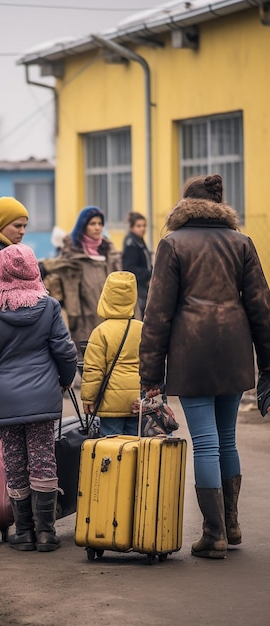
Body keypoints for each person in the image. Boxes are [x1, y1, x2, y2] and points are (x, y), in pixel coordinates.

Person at [139, 174, 270, 559]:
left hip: (191, 354)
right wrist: (268, 366)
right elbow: (261, 308)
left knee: (207, 444)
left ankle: (213, 536)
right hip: (233, 352)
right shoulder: (242, 243)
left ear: (185, 206)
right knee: (226, 441)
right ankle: (230, 524)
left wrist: (151, 376)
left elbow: (157, 314)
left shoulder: (172, 244)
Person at [0, 244, 77, 552]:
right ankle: (47, 533)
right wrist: (66, 380)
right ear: (33, 270)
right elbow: (64, 350)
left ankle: (24, 533)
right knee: (43, 459)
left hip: (5, 401)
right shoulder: (50, 306)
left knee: (14, 461)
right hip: (42, 398)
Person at [40, 206, 121, 351]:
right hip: (84, 321)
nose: (97, 228)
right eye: (92, 224)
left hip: (112, 319)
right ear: (83, 226)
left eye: (100, 224)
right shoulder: (72, 256)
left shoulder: (110, 253)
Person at [81, 271, 142, 436]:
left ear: (105, 297)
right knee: (134, 447)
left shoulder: (100, 332)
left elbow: (94, 370)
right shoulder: (142, 328)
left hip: (110, 401)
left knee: (111, 450)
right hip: (137, 400)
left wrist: (88, 398)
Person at [122, 212, 152, 319]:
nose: (142, 229)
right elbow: (129, 267)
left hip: (143, 286)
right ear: (131, 227)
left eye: (144, 226)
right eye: (138, 226)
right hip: (138, 288)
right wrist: (148, 274)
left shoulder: (139, 241)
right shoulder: (132, 244)